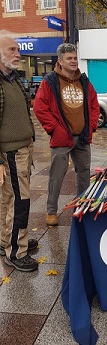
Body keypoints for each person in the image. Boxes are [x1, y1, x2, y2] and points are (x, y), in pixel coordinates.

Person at [33, 43, 100, 227]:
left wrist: (92, 125)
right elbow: (40, 107)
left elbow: (94, 105)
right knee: (57, 175)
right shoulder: (50, 81)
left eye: (75, 58)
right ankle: (51, 211)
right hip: (62, 137)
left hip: (83, 137)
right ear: (60, 61)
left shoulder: (84, 81)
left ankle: (82, 205)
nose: (73, 61)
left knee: (84, 174)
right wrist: (55, 129)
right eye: (69, 58)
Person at [0, 30, 38, 272]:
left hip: (23, 150)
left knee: (7, 199)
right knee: (20, 201)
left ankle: (7, 240)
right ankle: (16, 251)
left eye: (17, 48)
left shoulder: (13, 79)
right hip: (11, 154)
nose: (18, 52)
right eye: (11, 49)